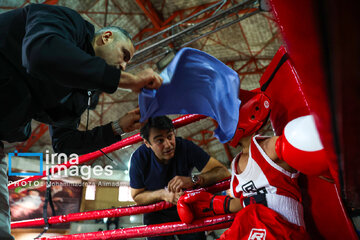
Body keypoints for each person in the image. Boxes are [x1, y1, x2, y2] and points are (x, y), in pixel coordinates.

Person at [0, 4, 163, 239]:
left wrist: (118, 127)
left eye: (127, 65)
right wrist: (124, 79)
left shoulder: (80, 92)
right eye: (124, 55)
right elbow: (39, 54)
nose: (124, 65)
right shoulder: (66, 22)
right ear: (105, 38)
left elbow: (65, 142)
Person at [176, 90, 326, 239]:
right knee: (248, 215)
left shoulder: (267, 147)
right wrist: (210, 204)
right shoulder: (236, 164)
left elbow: (305, 143)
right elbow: (244, 203)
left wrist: (325, 168)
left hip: (285, 229)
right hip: (256, 228)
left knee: (252, 215)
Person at [129, 116, 230, 240]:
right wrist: (162, 194)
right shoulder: (139, 158)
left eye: (170, 136)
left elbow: (223, 172)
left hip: (186, 206)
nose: (168, 144)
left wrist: (194, 180)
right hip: (156, 214)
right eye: (159, 141)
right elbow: (137, 196)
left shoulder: (185, 147)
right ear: (147, 143)